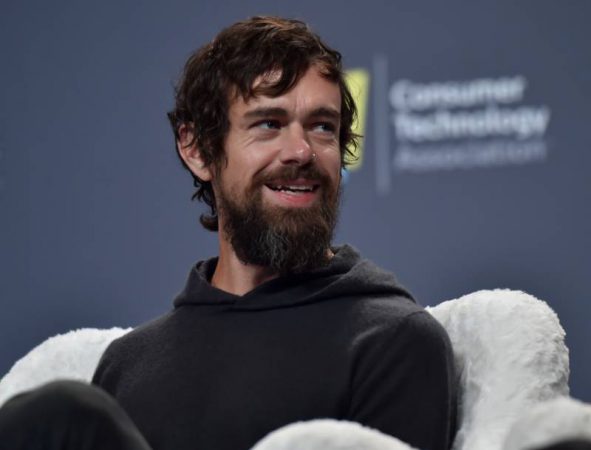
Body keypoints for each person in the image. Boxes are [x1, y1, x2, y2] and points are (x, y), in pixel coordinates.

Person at [0, 16, 456, 450]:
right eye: (269, 124)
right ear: (197, 149)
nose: (301, 151)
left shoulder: (392, 340)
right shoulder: (128, 363)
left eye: (322, 127)